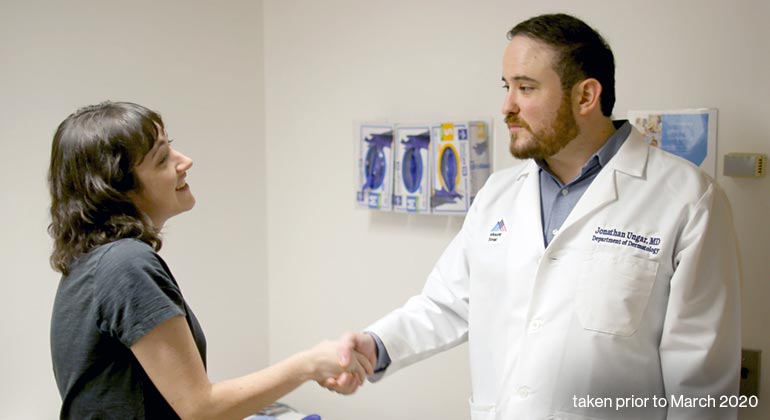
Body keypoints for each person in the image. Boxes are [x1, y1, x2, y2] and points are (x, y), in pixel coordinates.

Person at [327, 13, 741, 420]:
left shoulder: (686, 199)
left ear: (585, 96)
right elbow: (446, 303)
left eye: (525, 88)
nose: (507, 106)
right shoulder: (498, 193)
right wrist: (375, 345)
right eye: (507, 87)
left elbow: (700, 379)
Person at [48, 101, 373, 420]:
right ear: (117, 190)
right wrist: (308, 365)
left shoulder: (92, 262)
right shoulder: (126, 264)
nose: (184, 161)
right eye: (162, 159)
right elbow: (200, 409)